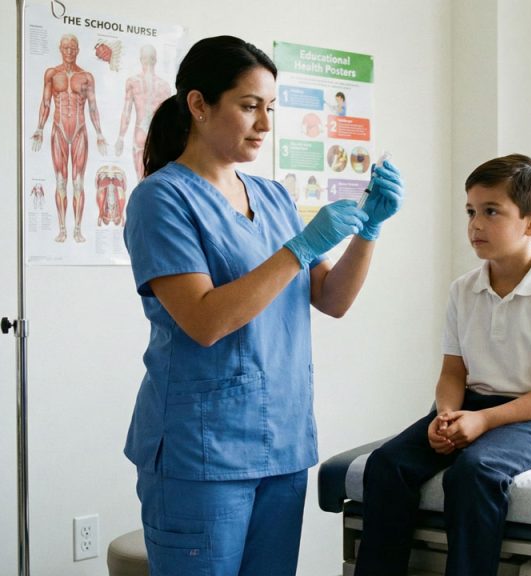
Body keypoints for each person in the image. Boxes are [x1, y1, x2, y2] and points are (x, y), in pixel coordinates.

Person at [122, 36, 403, 576]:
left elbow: (333, 299)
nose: (265, 125)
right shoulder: (162, 199)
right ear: (199, 105)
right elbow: (204, 321)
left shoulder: (273, 197)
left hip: (282, 443)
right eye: (250, 106)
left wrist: (369, 230)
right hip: (200, 453)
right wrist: (297, 250)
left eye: (270, 108)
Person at [354, 154, 531, 576]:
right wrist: (445, 416)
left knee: (474, 471)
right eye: (471, 211)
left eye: (491, 211)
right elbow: (453, 373)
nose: (475, 224)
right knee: (387, 464)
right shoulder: (464, 290)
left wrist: (482, 423)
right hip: (470, 405)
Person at [31, 33, 107, 243]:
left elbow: (92, 106)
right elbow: (45, 103)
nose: (69, 52)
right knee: (61, 181)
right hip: (59, 129)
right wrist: (39, 128)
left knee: (79, 182)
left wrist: (99, 133)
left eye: (73, 48)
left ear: (78, 50)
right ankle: (63, 228)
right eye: (66, 48)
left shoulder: (86, 77)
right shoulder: (52, 74)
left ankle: (78, 229)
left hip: (80, 130)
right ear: (60, 49)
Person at [115, 44, 174, 181]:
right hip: (158, 136)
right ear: (155, 60)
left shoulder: (133, 82)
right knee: (158, 180)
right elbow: (168, 118)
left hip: (141, 132)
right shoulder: (163, 85)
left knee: (141, 180)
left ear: (141, 59)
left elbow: (127, 112)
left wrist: (120, 138)